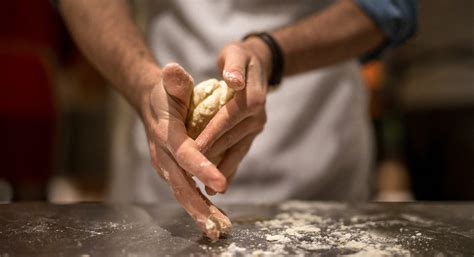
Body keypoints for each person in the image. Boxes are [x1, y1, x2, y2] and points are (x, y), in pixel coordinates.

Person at [56, 0, 416, 237]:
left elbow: (389, 7)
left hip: (318, 149)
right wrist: (139, 80)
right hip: (163, 151)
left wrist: (271, 52)